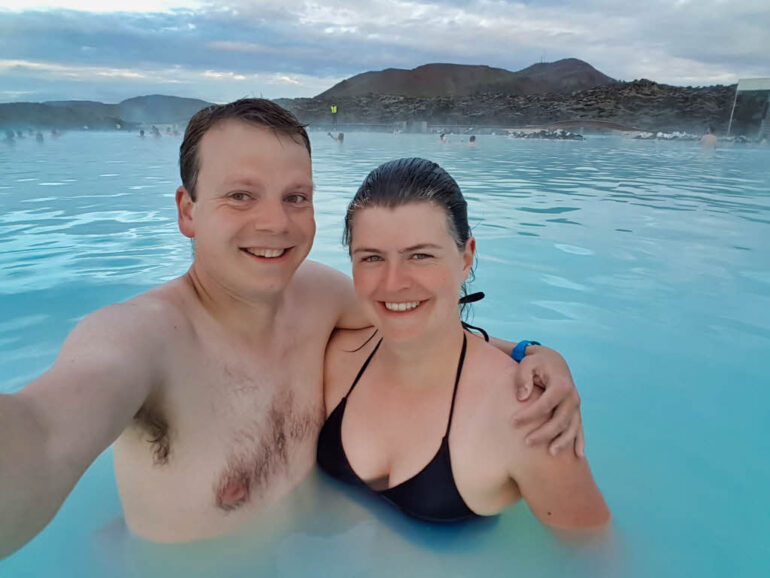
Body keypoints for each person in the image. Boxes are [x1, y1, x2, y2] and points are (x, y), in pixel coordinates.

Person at [0, 100, 583, 558]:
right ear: (187, 210)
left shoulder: (317, 296)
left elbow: (420, 320)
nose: (274, 222)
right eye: (240, 195)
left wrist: (533, 352)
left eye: (295, 197)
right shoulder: (139, 341)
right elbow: (44, 434)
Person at [318, 158, 609, 527]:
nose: (393, 283)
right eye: (372, 257)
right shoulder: (332, 358)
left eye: (420, 255)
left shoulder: (526, 414)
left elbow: (595, 556)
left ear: (466, 257)